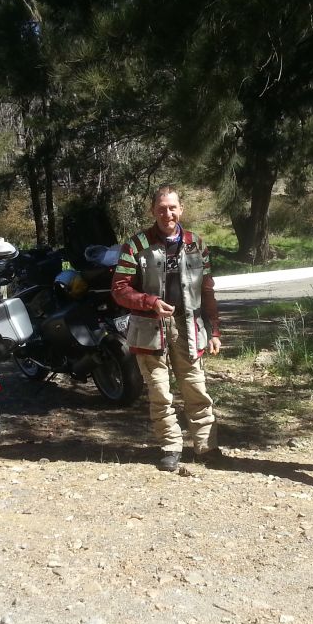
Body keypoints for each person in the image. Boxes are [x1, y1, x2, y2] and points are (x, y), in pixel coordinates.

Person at [112, 185, 222, 471]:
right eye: (161, 208)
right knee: (160, 392)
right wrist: (149, 302)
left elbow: (207, 290)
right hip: (150, 329)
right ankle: (171, 446)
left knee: (196, 388)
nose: (167, 213)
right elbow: (119, 290)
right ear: (153, 211)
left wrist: (215, 331)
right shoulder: (135, 245)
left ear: (181, 209)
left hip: (189, 327)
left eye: (172, 208)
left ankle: (205, 447)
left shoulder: (197, 243)